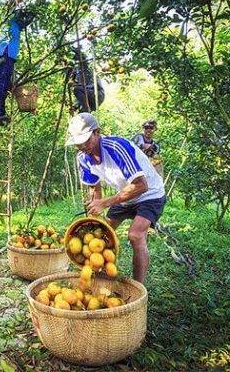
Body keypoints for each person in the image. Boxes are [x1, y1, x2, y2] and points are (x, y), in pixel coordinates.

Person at [65, 113, 166, 284]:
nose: (82, 146)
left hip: (150, 194)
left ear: (97, 132)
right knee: (101, 235)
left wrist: (105, 203)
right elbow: (94, 187)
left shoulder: (117, 147)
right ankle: (100, 273)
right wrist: (95, 213)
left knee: (135, 235)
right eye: (77, 142)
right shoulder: (83, 157)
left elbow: (141, 186)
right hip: (125, 196)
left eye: (85, 140)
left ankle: (138, 289)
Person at [0, 11, 34, 121]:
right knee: (2, 84)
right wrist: (23, 13)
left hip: (7, 59)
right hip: (4, 57)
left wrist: (32, 14)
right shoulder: (11, 24)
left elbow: (24, 23)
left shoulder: (14, 27)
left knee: (6, 85)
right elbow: (16, 22)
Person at [71, 48, 104, 113]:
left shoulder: (87, 71)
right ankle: (86, 110)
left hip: (97, 94)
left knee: (77, 89)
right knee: (82, 115)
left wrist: (79, 53)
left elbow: (84, 62)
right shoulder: (79, 80)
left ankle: (86, 109)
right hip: (90, 102)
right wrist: (75, 106)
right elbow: (82, 97)